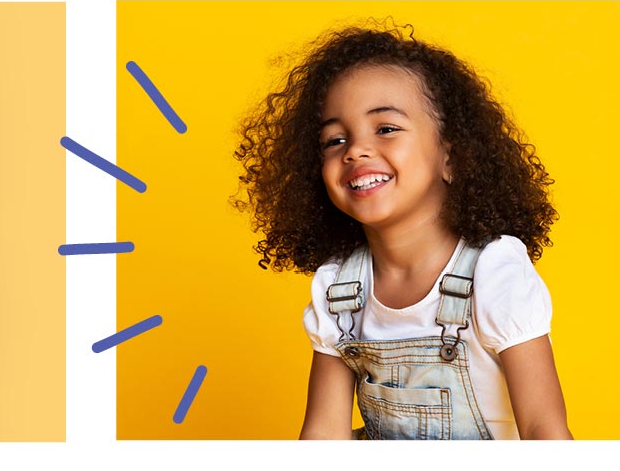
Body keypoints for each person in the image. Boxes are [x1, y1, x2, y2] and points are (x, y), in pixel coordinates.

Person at [235, 25, 571, 440]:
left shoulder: (494, 272)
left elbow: (545, 430)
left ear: (451, 154)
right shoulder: (339, 288)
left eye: (386, 129)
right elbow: (323, 436)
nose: (355, 150)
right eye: (335, 139)